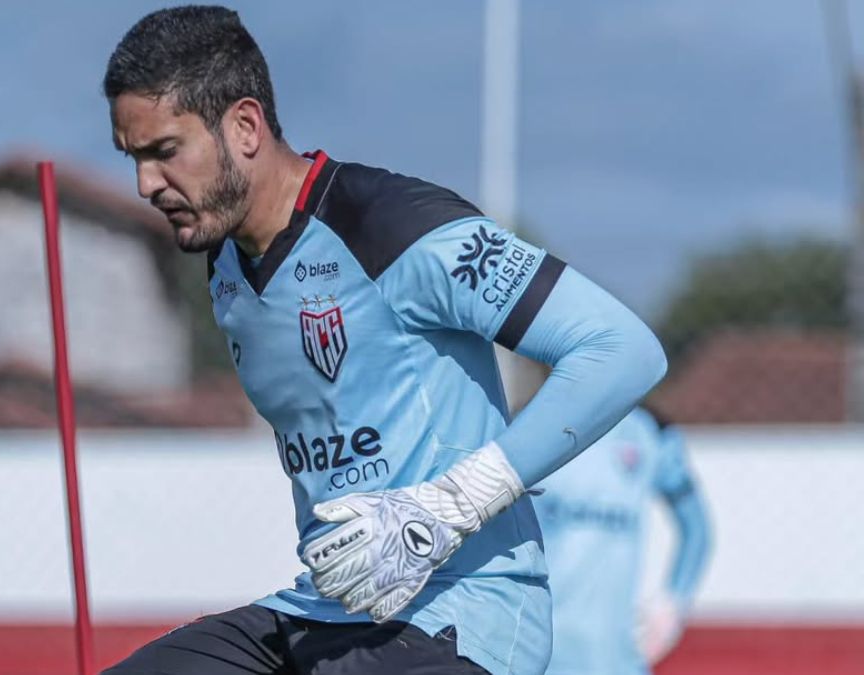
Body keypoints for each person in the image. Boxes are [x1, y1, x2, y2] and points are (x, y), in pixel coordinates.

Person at [101, 6, 667, 674]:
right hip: (323, 611)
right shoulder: (225, 266)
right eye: (134, 158)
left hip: (463, 612)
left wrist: (450, 506)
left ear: (245, 126)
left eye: (165, 152)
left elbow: (622, 348)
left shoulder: (390, 226)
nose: (145, 184)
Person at [534, 407, 711, 674]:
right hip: (539, 655)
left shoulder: (651, 431)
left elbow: (697, 529)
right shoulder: (533, 426)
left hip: (616, 659)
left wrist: (671, 604)